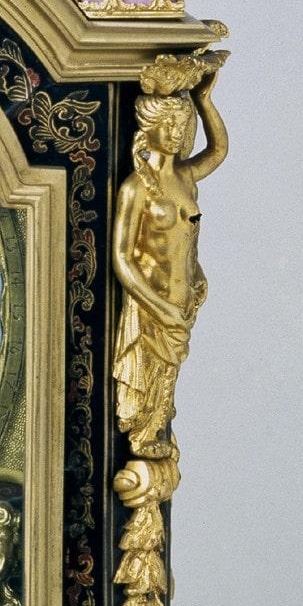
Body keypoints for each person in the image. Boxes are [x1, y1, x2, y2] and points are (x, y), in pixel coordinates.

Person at [112, 53, 226, 457]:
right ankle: (143, 437)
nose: (178, 133)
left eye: (183, 125)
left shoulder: (184, 177)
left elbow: (218, 151)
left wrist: (204, 102)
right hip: (152, 303)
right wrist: (157, 306)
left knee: (167, 377)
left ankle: (154, 433)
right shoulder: (137, 188)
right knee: (147, 375)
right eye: (170, 125)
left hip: (182, 298)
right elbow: (122, 257)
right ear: (151, 128)